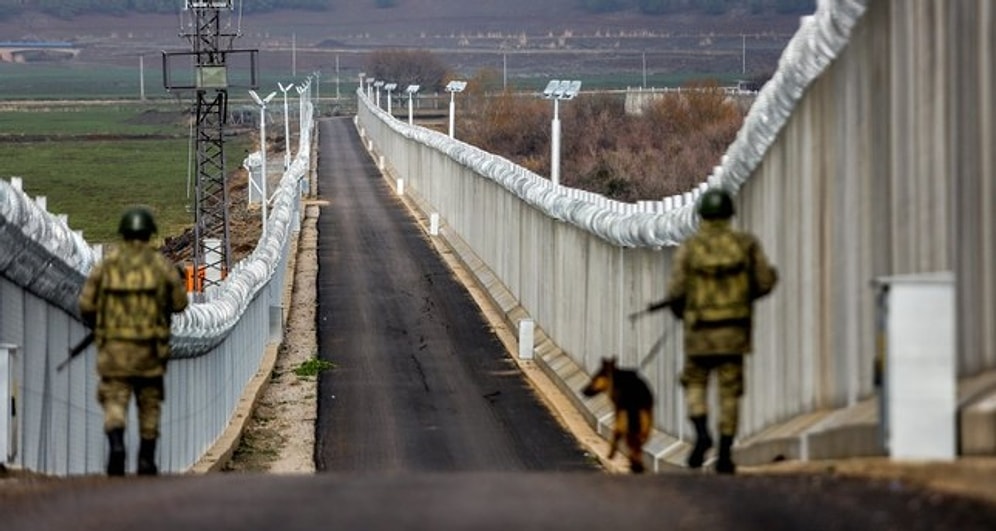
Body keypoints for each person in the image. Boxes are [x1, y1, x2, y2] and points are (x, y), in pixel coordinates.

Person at [663, 188, 777, 474]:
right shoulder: (745, 244)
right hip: (734, 330)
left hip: (699, 331)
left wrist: (683, 313)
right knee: (730, 390)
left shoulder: (690, 247)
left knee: (695, 382)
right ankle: (725, 452)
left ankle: (702, 433)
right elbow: (764, 282)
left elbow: (676, 291)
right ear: (729, 214)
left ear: (702, 215)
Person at [78, 206, 188, 476]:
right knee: (149, 403)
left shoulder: (107, 266)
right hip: (150, 349)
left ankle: (117, 446)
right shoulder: (160, 266)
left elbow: (86, 305)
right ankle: (146, 460)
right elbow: (180, 303)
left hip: (114, 349)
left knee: (115, 400)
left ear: (124, 233)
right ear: (149, 233)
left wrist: (102, 322)